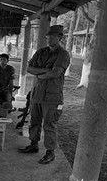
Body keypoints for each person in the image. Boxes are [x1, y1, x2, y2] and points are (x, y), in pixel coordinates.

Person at [18, 25, 70, 164]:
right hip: (37, 94)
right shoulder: (41, 52)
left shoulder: (63, 54)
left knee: (49, 124)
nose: (48, 39)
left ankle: (50, 152)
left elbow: (56, 72)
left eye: (52, 36)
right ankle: (33, 144)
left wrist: (40, 73)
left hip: (52, 96)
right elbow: (29, 68)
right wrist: (46, 70)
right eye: (48, 36)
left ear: (59, 37)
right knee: (34, 120)